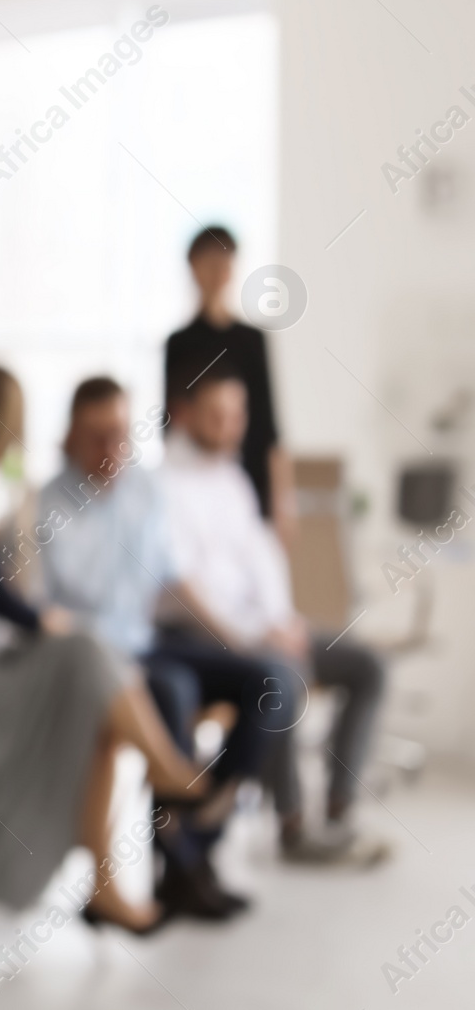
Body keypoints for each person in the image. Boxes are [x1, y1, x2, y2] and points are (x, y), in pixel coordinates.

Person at [0, 365, 208, 934]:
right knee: (82, 651)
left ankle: (106, 887)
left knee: (90, 686)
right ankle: (170, 773)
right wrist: (41, 620)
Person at [38, 377, 273, 919]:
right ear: (70, 436)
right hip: (95, 657)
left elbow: (174, 578)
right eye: (96, 437)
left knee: (268, 679)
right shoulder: (49, 504)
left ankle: (200, 832)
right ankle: (180, 869)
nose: (110, 449)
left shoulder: (145, 490)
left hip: (145, 642)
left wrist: (235, 640)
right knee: (173, 689)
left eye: (119, 434)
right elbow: (47, 608)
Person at [161, 363, 390, 866]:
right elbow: (180, 589)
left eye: (238, 414)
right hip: (212, 637)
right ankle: (292, 826)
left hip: (272, 627)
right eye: (217, 415)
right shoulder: (163, 487)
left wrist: (284, 622)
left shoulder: (232, 477)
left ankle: (338, 810)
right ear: (184, 415)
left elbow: (260, 560)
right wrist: (256, 637)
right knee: (278, 677)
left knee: (368, 666)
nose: (231, 426)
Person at [165, 225, 296, 548]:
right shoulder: (179, 343)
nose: (216, 272)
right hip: (194, 481)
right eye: (207, 262)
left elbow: (269, 426)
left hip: (250, 480)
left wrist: (283, 502)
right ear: (193, 268)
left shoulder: (251, 341)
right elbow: (169, 423)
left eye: (223, 263)